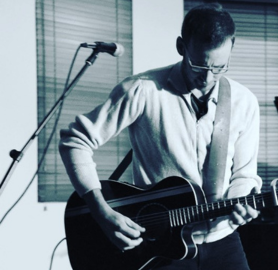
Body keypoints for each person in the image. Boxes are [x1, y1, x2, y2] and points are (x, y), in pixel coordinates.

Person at [59, 3, 261, 270]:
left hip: (222, 239)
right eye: (198, 65)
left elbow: (245, 174)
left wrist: (241, 204)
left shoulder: (244, 102)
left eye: (220, 67)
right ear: (181, 46)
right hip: (158, 241)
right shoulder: (142, 90)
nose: (208, 78)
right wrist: (101, 212)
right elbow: (75, 141)